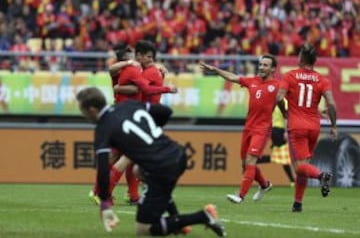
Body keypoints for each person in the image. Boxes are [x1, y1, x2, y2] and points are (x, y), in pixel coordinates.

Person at [76, 87, 226, 237]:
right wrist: (152, 133)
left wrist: (104, 205)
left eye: (82, 111)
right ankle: (176, 221)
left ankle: (203, 216)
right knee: (138, 171)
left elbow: (103, 169)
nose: (83, 115)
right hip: (177, 154)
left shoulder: (103, 128)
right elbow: (166, 112)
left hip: (161, 166)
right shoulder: (128, 105)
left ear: (91, 110)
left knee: (143, 230)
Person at [89, 43, 177, 206]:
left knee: (127, 158)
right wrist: (167, 88)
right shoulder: (135, 69)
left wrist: (119, 87)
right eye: (134, 55)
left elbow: (134, 87)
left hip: (131, 115)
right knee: (126, 157)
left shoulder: (141, 70)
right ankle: (104, 192)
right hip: (132, 117)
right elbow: (144, 89)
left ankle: (131, 195)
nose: (137, 58)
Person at [199, 54, 280, 204]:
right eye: (261, 64)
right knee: (246, 164)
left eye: (265, 65)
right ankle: (265, 185)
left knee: (250, 160)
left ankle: (241, 195)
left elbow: (284, 101)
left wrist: (288, 117)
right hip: (248, 127)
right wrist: (215, 69)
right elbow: (232, 77)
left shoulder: (277, 85)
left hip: (262, 129)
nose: (261, 67)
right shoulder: (253, 81)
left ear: (273, 68)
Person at [276, 43, 338, 212]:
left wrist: (285, 113)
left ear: (301, 58)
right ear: (314, 60)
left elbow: (279, 98)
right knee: (304, 166)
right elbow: (332, 105)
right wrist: (333, 126)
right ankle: (297, 204)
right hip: (314, 128)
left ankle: (321, 176)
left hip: (297, 127)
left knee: (299, 168)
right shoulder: (322, 80)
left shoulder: (290, 76)